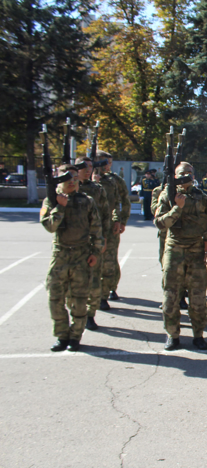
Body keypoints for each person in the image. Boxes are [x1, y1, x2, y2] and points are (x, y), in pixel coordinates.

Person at [155, 162, 207, 351]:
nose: (186, 176)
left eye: (189, 173)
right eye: (181, 173)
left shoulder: (203, 198)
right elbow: (160, 223)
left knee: (198, 297)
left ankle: (198, 335)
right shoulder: (167, 196)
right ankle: (172, 335)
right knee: (170, 297)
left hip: (196, 251)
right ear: (175, 176)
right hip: (174, 251)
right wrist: (177, 207)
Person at [41, 164, 104, 352]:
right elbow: (50, 226)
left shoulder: (86, 201)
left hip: (81, 255)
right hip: (60, 256)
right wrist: (60, 207)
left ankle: (76, 336)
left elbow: (97, 228)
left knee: (79, 299)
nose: (72, 181)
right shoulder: (50, 201)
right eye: (67, 178)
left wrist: (95, 252)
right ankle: (62, 336)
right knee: (55, 297)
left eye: (75, 178)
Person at [72, 157, 110, 331]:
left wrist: (103, 238)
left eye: (90, 167)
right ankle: (76, 315)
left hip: (93, 241)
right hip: (73, 244)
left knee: (94, 281)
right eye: (84, 167)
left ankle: (90, 315)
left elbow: (105, 214)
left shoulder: (97, 189)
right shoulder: (68, 189)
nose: (88, 170)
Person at [95, 150, 131, 307]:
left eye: (109, 162)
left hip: (109, 226)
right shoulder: (84, 181)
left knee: (109, 260)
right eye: (104, 162)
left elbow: (122, 201)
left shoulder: (114, 180)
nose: (107, 166)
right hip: (89, 228)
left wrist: (121, 221)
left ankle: (108, 289)